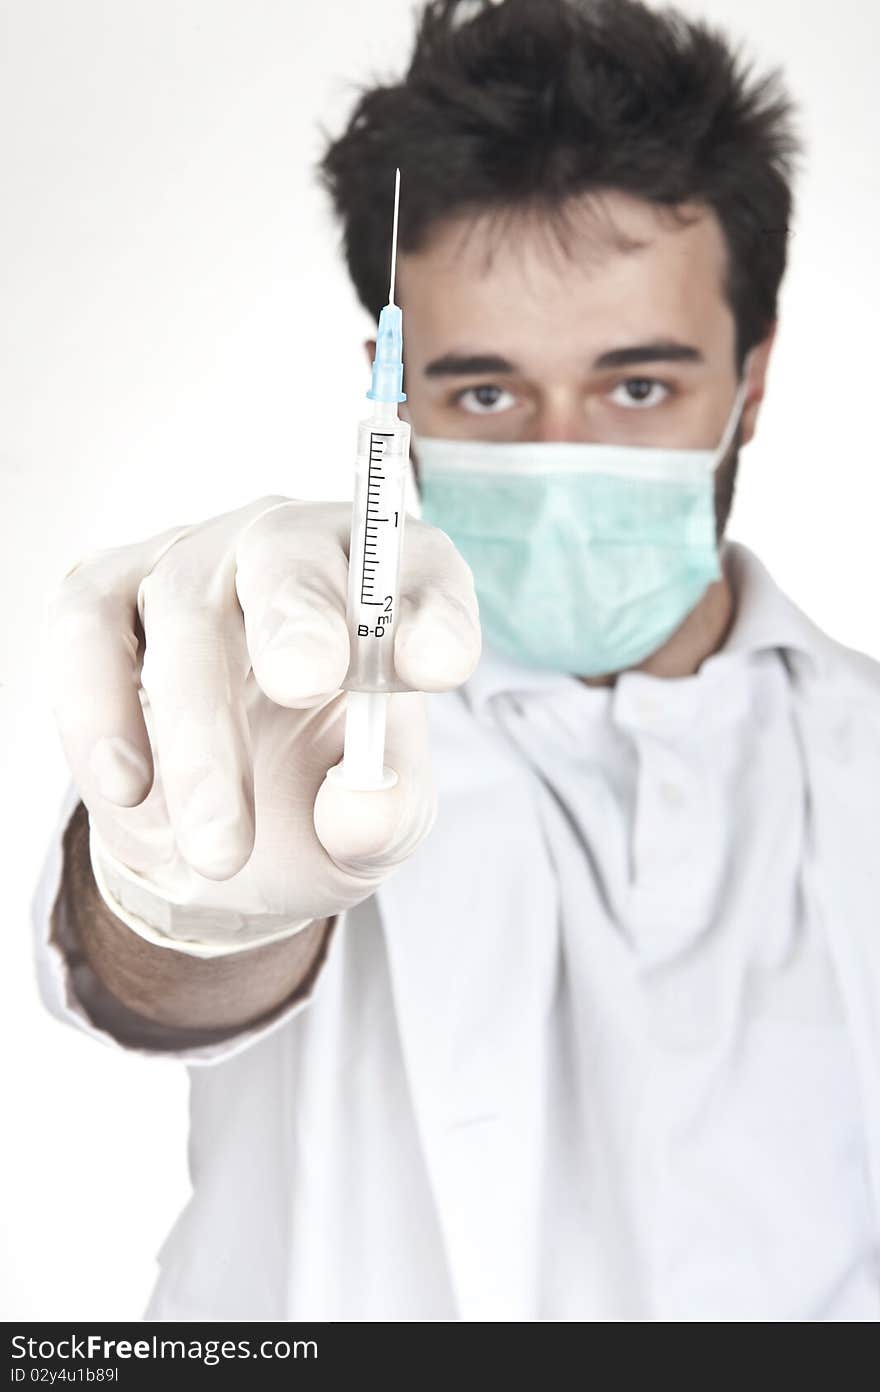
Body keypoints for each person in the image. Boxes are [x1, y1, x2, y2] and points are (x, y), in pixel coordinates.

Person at [32, 0, 880, 1322]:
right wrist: (179, 889)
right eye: (484, 392)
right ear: (402, 392)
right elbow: (159, 986)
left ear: (751, 383)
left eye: (637, 387)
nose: (554, 450)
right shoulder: (303, 709)